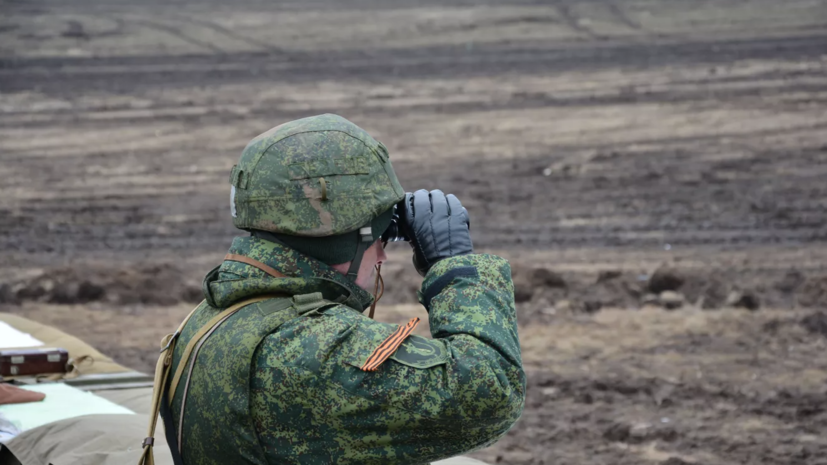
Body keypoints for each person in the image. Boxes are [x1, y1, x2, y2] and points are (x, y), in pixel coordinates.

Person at [140, 114, 525, 465]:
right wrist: (453, 267)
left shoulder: (215, 316)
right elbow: (491, 391)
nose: (381, 256)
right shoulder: (310, 350)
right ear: (340, 241)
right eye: (377, 238)